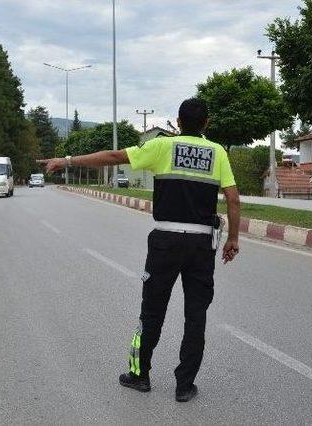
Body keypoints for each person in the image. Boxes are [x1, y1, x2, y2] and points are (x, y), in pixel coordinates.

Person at [39, 98, 240, 402]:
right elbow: (234, 199)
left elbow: (113, 155)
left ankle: (139, 375)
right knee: (196, 316)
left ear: (178, 121)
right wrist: (233, 239)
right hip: (201, 245)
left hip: (165, 242)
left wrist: (67, 160)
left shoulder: (162, 147)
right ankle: (185, 386)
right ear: (206, 124)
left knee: (152, 312)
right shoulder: (217, 152)